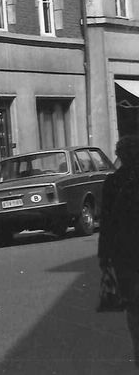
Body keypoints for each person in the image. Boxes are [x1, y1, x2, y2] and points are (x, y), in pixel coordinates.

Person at [98, 137, 139, 366]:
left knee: (133, 306)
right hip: (127, 252)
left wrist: (104, 255)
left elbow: (106, 222)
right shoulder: (115, 183)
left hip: (124, 253)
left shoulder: (113, 182)